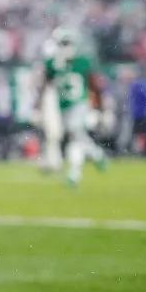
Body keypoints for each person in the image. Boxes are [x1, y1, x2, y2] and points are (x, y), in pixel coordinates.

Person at [37, 27, 108, 187]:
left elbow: (94, 86)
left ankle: (78, 171)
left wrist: (99, 107)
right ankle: (95, 157)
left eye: (67, 43)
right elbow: (45, 85)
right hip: (63, 108)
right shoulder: (53, 64)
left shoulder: (82, 61)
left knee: (75, 134)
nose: (65, 47)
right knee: (75, 138)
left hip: (80, 105)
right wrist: (39, 105)